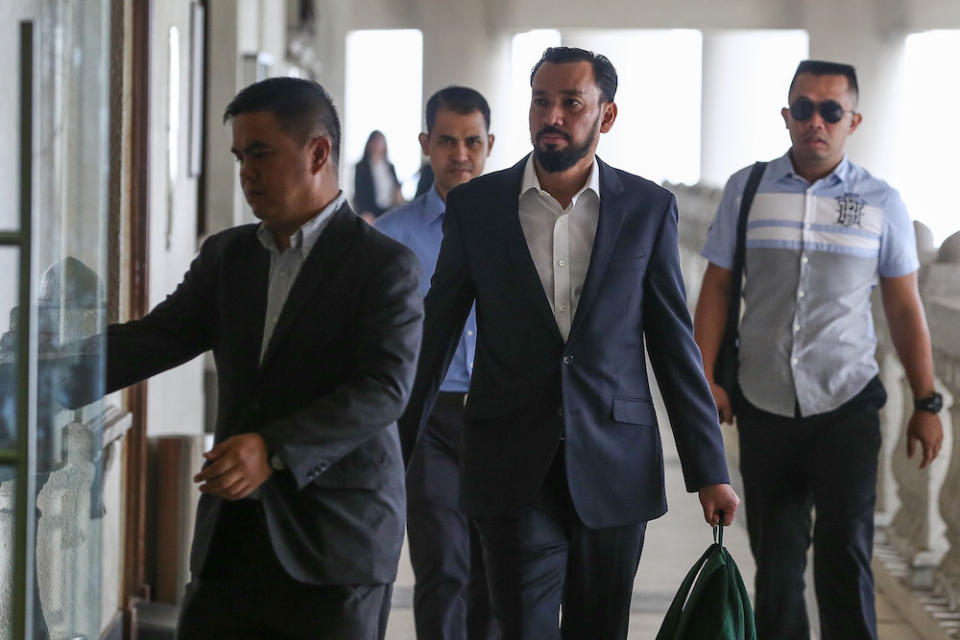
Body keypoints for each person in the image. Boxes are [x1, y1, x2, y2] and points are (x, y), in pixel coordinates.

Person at [61, 77, 423, 639]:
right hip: (231, 543)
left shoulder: (384, 267)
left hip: (335, 545)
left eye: (261, 154)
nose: (246, 173)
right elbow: (153, 339)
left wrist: (273, 449)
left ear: (318, 153)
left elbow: (383, 389)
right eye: (239, 157)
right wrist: (38, 375)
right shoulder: (228, 258)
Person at [399, 47, 740, 639]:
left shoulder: (645, 208)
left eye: (570, 103)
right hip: (510, 461)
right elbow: (437, 332)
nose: (551, 115)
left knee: (600, 629)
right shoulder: (479, 207)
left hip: (615, 464)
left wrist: (708, 468)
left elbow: (671, 343)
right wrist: (393, 447)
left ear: (605, 116)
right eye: (540, 100)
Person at [694, 60, 944, 640]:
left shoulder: (881, 202)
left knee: (844, 556)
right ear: (787, 116)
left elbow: (905, 308)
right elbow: (719, 286)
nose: (816, 121)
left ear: (852, 119)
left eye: (830, 110)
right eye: (803, 108)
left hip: (847, 404)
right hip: (764, 404)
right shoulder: (748, 189)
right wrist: (704, 376)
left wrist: (927, 403)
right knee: (778, 569)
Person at [377, 86, 497, 640]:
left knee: (498, 570)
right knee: (445, 566)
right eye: (447, 141)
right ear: (426, 144)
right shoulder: (391, 239)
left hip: (503, 416)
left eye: (472, 141)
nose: (460, 154)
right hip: (428, 418)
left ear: (490, 144)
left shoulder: (518, 230)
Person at [354, 129, 403, 224]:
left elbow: (396, 188)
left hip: (389, 211)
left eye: (380, 142)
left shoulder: (390, 167)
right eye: (375, 142)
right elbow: (359, 193)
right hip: (371, 213)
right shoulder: (361, 167)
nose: (377, 145)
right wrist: (365, 212)